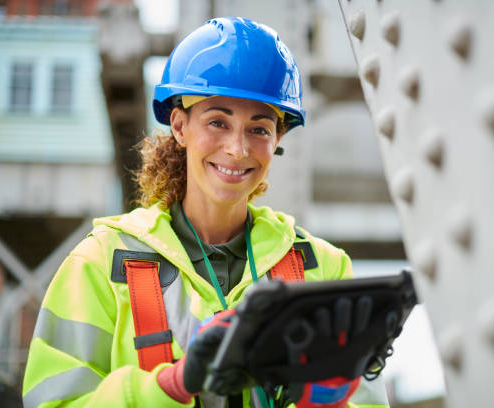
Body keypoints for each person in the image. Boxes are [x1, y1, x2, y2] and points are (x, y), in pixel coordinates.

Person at [22, 17, 389, 408]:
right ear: (179, 126)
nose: (238, 149)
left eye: (259, 129)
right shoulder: (99, 262)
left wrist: (328, 401)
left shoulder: (324, 271)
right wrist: (171, 386)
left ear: (278, 138)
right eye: (218, 122)